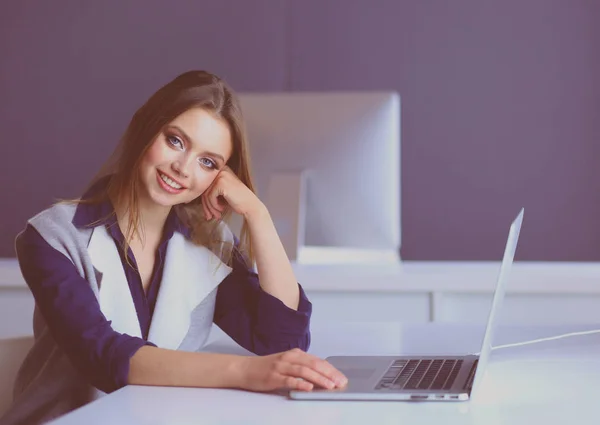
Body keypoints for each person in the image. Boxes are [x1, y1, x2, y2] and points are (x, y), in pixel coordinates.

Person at [1, 70, 347, 425]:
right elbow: (102, 356)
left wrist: (258, 215)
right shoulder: (52, 236)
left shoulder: (209, 246)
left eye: (208, 162)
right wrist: (246, 371)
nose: (183, 168)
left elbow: (282, 340)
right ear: (145, 128)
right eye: (175, 141)